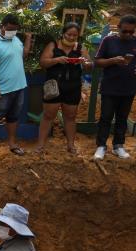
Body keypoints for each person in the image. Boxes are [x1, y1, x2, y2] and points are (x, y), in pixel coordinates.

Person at [93, 15, 136, 160]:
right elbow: (98, 61)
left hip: (128, 87)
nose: (128, 35)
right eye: (125, 31)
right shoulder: (108, 41)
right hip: (109, 86)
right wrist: (112, 60)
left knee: (122, 118)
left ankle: (118, 145)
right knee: (105, 117)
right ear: (118, 28)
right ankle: (101, 146)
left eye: (132, 32)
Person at [35, 22, 91, 155]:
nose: (71, 37)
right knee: (48, 115)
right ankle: (40, 145)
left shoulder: (81, 47)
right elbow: (43, 62)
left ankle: (71, 145)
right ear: (63, 33)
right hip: (54, 86)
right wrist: (57, 60)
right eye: (69, 34)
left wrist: (85, 62)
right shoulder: (53, 45)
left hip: (73, 86)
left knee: (71, 116)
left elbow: (89, 66)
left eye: (75, 35)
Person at [0, 14, 32, 156]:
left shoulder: (15, 39)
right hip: (2, 90)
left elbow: (23, 55)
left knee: (13, 117)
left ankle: (12, 143)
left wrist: (28, 39)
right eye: (10, 29)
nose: (12, 32)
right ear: (2, 27)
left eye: (15, 29)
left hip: (19, 87)